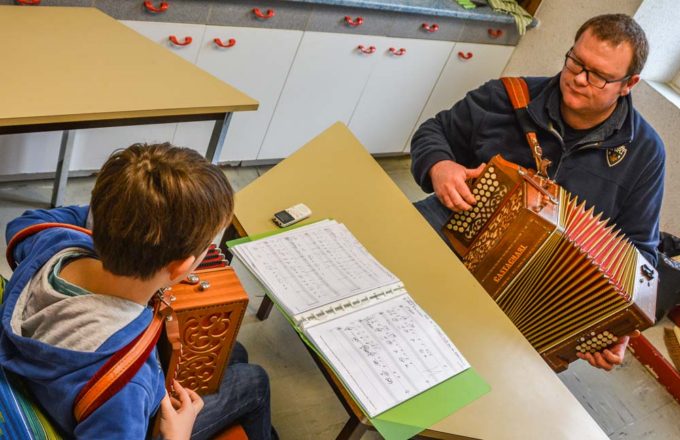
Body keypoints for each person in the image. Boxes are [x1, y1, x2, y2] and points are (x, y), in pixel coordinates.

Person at [410, 14, 664, 371]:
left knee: (483, 381)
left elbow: (642, 256)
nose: (578, 79)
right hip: (455, 230)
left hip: (537, 293)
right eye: (575, 61)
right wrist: (440, 166)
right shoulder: (507, 97)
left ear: (628, 84)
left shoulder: (645, 153)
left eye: (599, 76)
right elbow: (432, 132)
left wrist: (614, 323)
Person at [0, 144, 274, 439]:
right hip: (123, 410)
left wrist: (125, 213)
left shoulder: (50, 242)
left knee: (233, 352)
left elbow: (23, 223)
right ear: (180, 268)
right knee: (254, 382)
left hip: (47, 373)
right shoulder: (127, 388)